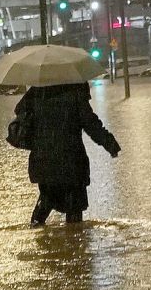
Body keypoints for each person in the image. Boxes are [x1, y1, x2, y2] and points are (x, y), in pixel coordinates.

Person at [14, 82, 120, 226]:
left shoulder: (37, 91)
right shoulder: (75, 90)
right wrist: (110, 144)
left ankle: (36, 232)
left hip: (43, 160)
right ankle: (74, 243)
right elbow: (91, 124)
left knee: (46, 199)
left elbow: (20, 111)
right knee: (74, 210)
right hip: (71, 161)